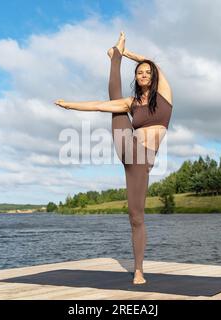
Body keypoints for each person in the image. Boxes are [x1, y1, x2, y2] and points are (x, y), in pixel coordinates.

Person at [55, 31, 173, 285]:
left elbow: (154, 65)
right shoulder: (131, 103)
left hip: (143, 160)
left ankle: (115, 54)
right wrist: (69, 105)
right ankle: (114, 57)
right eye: (139, 72)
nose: (143, 75)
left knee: (136, 216)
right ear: (136, 77)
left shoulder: (164, 94)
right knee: (114, 102)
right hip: (128, 148)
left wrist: (126, 53)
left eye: (147, 72)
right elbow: (98, 105)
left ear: (153, 75)